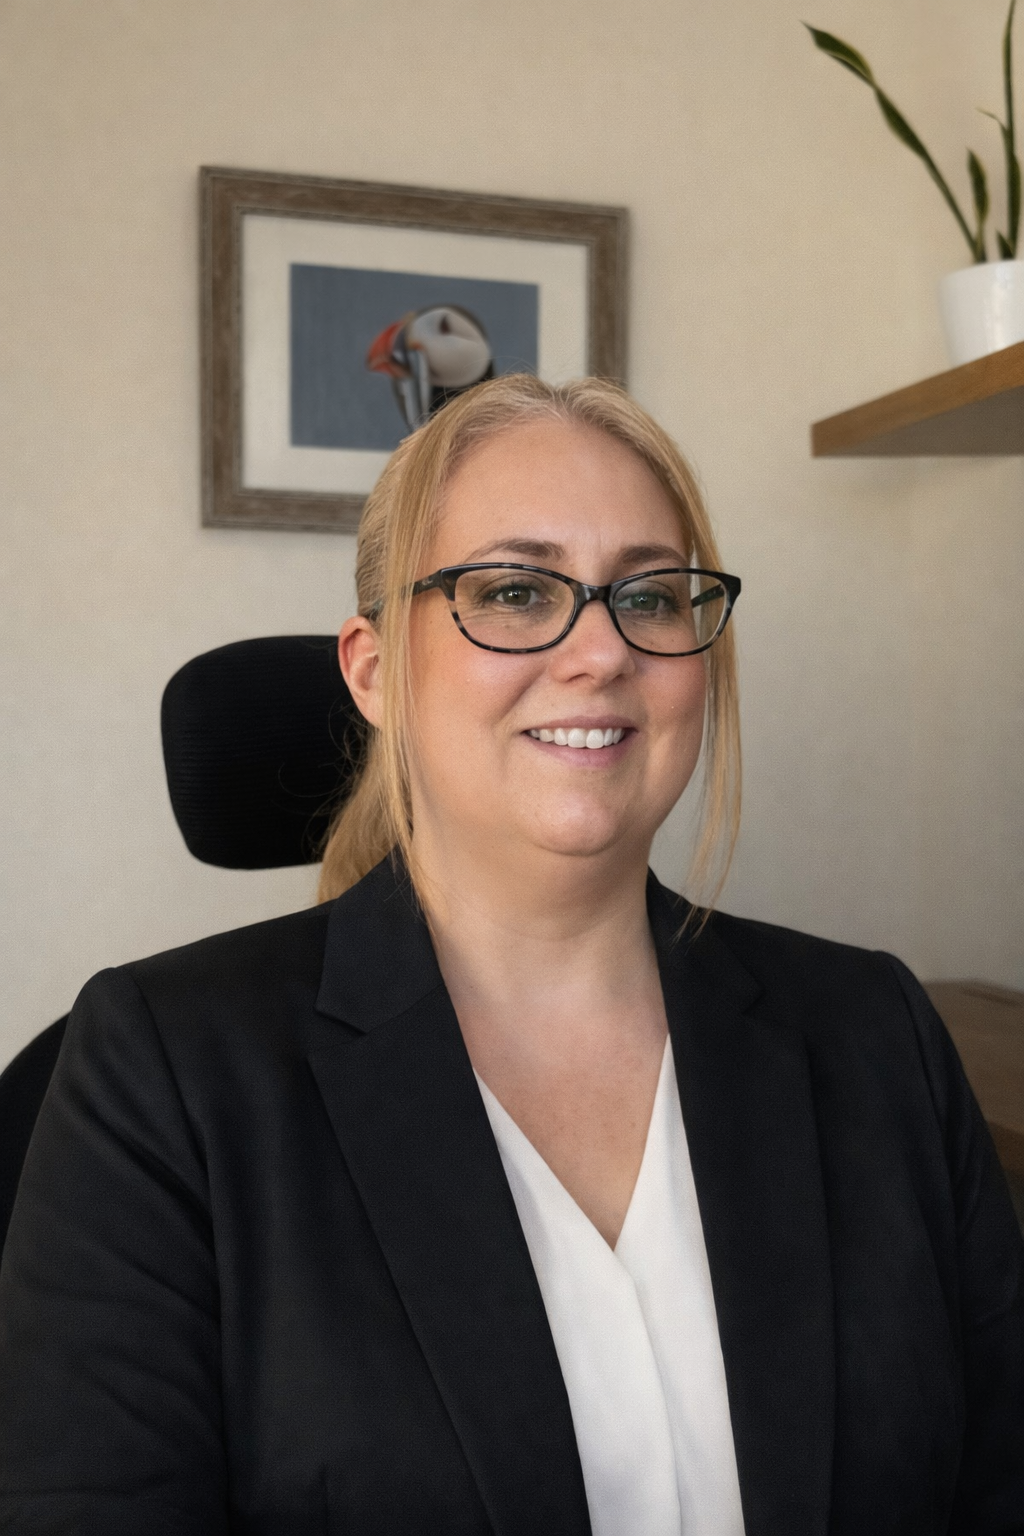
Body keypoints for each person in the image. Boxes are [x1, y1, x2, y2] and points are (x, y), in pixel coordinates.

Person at [0, 375, 1020, 1536]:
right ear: (373, 671)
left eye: (651, 595)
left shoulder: (874, 1029)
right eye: (516, 591)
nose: (601, 652)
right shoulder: (163, 1069)